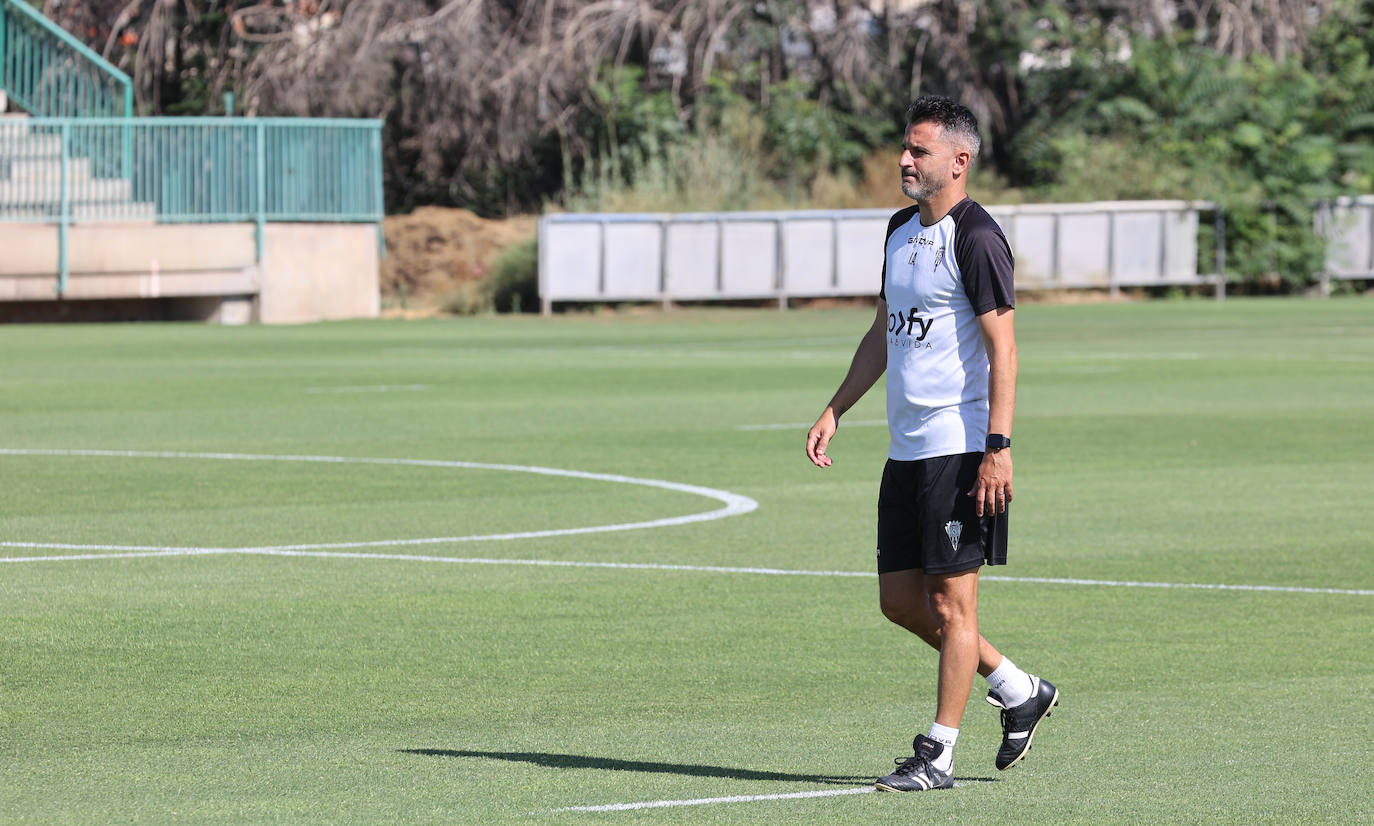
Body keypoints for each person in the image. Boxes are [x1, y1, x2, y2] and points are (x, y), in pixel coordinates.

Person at [805, 95, 1058, 792]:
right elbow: (884, 329)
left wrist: (997, 446)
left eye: (919, 150)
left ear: (959, 159)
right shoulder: (897, 229)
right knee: (899, 602)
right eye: (905, 147)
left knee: (954, 608)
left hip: (959, 447)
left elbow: (1004, 350)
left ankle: (938, 753)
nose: (904, 160)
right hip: (906, 448)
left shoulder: (977, 238)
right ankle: (1016, 687)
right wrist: (837, 408)